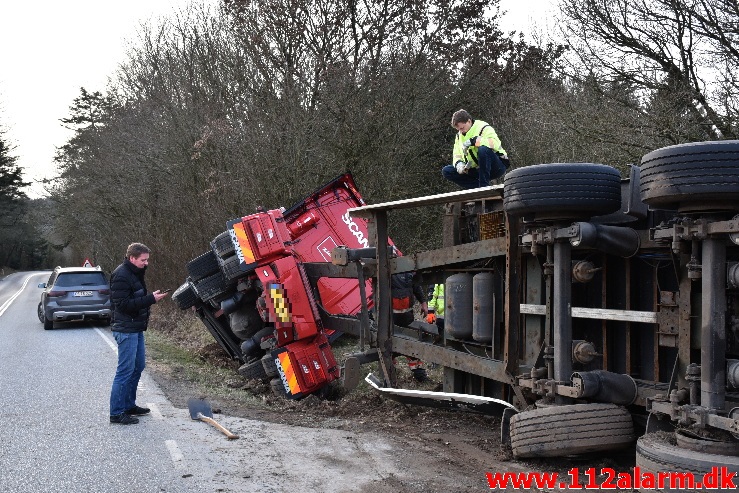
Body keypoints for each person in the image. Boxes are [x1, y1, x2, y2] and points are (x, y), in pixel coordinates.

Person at [109, 243, 168, 425]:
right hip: (125, 329)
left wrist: (151, 296)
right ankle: (116, 413)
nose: (146, 263)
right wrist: (151, 299)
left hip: (135, 327)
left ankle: (129, 405)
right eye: (143, 260)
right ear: (132, 258)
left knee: (138, 366)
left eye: (147, 259)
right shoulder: (121, 275)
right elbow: (123, 305)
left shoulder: (134, 272)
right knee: (125, 371)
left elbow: (135, 297)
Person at [442, 109, 509, 189]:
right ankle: (477, 187)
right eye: (458, 129)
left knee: (483, 150)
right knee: (447, 171)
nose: (461, 131)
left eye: (462, 128)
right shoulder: (458, 136)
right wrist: (459, 164)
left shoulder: (483, 127)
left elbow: (495, 143)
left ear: (469, 121)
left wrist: (475, 141)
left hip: (496, 165)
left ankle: (484, 187)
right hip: (476, 169)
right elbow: (457, 154)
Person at [390, 254, 429, 382]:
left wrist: (423, 303)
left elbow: (416, 288)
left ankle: (420, 377)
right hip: (391, 318)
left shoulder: (408, 273)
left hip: (407, 317)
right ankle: (390, 378)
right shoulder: (385, 273)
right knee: (389, 348)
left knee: (412, 346)